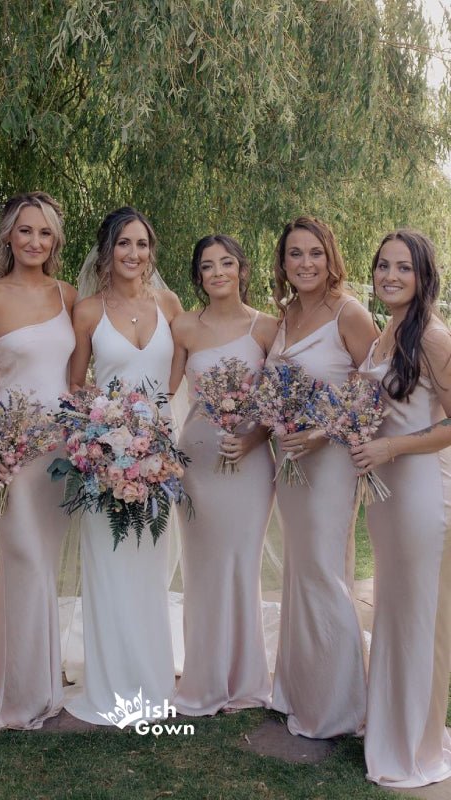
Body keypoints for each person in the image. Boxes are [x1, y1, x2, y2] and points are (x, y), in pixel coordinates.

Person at [0, 192, 76, 729]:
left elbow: (74, 378)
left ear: (55, 240)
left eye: (45, 232)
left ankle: (39, 685)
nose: (35, 241)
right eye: (25, 230)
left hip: (59, 455)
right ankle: (14, 698)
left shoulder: (68, 295)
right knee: (23, 559)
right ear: (8, 234)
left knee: (40, 566)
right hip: (5, 452)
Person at [65, 206, 183, 724]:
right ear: (106, 250)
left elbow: (180, 373)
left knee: (150, 569)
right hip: (105, 459)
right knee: (109, 566)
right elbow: (75, 385)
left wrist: (157, 431)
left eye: (142, 243)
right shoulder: (88, 311)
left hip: (158, 458)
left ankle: (152, 682)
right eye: (124, 244)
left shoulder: (170, 304)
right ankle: (111, 685)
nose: (134, 254)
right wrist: (103, 436)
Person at [267, 215, 378, 738]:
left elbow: (374, 389)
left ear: (330, 257)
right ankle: (299, 691)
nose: (305, 263)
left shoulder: (349, 313)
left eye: (315, 253)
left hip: (330, 460)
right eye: (295, 253)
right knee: (300, 571)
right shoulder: (286, 312)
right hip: (289, 461)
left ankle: (340, 707)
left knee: (324, 572)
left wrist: (320, 432)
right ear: (283, 262)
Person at [350, 230, 451, 788]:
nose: (390, 276)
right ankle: (390, 725)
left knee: (419, 615)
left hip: (420, 490)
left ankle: (415, 745)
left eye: (404, 268)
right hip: (386, 495)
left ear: (423, 276)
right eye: (383, 265)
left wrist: (390, 448)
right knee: (394, 607)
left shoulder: (433, 336)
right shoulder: (388, 329)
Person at [169, 234, 278, 715]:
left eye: (226, 263)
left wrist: (253, 438)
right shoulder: (183, 327)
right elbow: (163, 390)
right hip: (197, 462)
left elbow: (279, 401)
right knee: (203, 569)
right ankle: (204, 678)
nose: (218, 272)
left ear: (242, 269)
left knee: (241, 565)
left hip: (250, 464)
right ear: (198, 275)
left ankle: (245, 681)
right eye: (208, 265)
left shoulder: (267, 328)